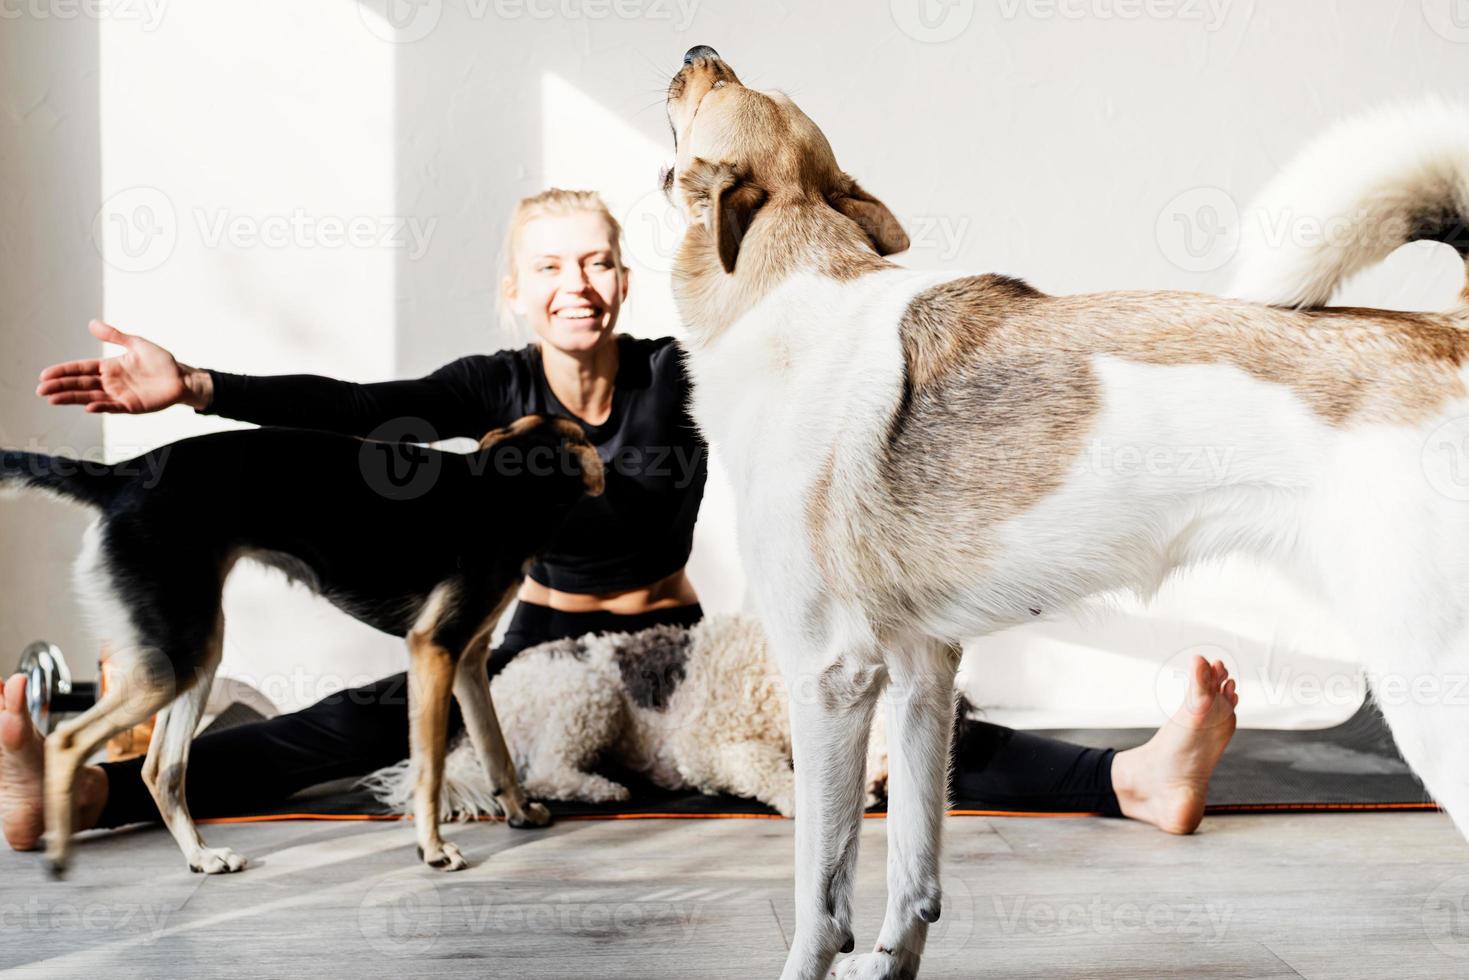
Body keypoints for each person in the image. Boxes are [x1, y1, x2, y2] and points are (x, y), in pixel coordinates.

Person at [0, 189, 1239, 854]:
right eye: (549, 266)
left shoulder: (677, 373)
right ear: (516, 289)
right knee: (357, 720)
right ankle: (95, 797)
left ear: (622, 279)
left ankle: (1127, 780)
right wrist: (201, 386)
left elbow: (813, 376)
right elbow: (359, 407)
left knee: (862, 699)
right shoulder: (488, 389)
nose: (575, 283)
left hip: (679, 662)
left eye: (594, 260)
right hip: (534, 659)